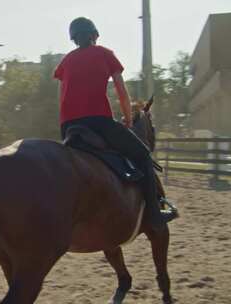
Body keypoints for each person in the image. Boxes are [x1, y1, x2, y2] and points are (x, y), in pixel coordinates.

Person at [53, 17, 177, 231]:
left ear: (73, 38)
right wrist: (128, 120)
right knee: (142, 153)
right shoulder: (105, 54)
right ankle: (154, 213)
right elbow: (121, 90)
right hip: (98, 122)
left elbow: (60, 95)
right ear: (94, 35)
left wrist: (66, 122)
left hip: (69, 126)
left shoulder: (66, 61)